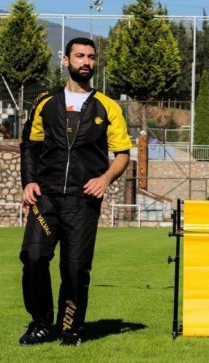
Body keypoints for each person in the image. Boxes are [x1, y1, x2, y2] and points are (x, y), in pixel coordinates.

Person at [19, 37, 132, 346]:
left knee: (75, 266)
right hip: (46, 197)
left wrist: (106, 179)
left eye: (92, 57)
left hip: (83, 201)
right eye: (80, 55)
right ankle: (40, 323)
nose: (87, 61)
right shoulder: (45, 102)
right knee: (33, 256)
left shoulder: (108, 107)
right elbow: (30, 145)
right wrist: (28, 181)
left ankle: (71, 327)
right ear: (66, 61)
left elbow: (122, 153)